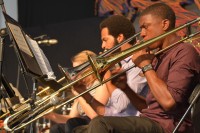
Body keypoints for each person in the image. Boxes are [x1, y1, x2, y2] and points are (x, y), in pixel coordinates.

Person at [73, 3, 200, 133]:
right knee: (78, 130)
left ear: (165, 24)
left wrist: (146, 66)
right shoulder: (159, 55)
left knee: (100, 123)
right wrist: (126, 89)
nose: (142, 34)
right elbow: (149, 107)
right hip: (150, 120)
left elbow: (169, 102)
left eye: (146, 27)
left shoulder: (184, 51)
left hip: (167, 126)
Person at [45, 50, 110, 133]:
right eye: (73, 70)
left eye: (77, 70)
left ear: (90, 68)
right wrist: (50, 115)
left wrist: (80, 94)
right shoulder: (82, 87)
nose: (74, 75)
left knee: (73, 123)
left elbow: (95, 116)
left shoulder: (99, 84)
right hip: (82, 123)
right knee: (57, 129)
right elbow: (71, 117)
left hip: (96, 123)